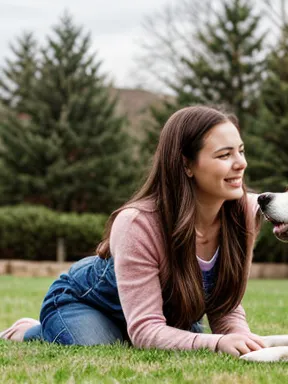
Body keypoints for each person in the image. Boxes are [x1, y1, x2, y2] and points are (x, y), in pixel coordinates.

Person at [1, 105, 266, 356]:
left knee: (159, 342)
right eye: (225, 155)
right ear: (186, 164)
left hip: (164, 315)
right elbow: (146, 331)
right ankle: (29, 331)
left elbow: (224, 302)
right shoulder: (137, 223)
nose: (241, 163)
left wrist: (242, 342)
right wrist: (216, 343)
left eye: (241, 151)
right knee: (102, 348)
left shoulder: (245, 213)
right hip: (88, 303)